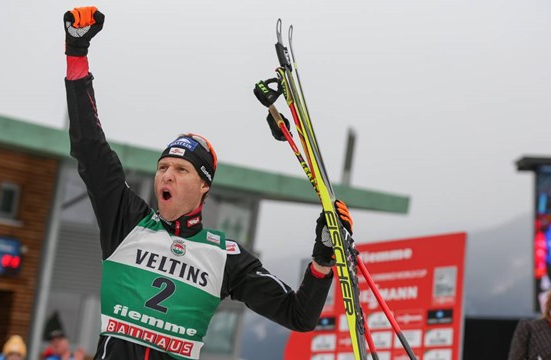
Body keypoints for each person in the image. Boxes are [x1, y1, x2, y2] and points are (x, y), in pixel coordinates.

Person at [62, 6, 349, 359]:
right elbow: (89, 148)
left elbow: (298, 315)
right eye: (162, 167)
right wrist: (77, 55)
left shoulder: (224, 256)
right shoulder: (127, 221)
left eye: (181, 170)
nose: (167, 174)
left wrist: (322, 260)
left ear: (204, 187)